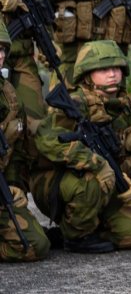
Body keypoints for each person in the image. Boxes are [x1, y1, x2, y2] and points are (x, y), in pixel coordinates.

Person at [32, 40, 131, 253]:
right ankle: (76, 236)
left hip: (109, 186)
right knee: (90, 181)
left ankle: (77, 228)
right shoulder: (74, 104)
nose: (112, 74)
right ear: (86, 75)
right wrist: (95, 163)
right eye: (103, 69)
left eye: (116, 68)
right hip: (60, 182)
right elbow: (47, 139)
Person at [0, 22, 50, 261]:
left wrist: (14, 185)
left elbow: (16, 151)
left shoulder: (9, 95)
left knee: (33, 245)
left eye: (2, 49)